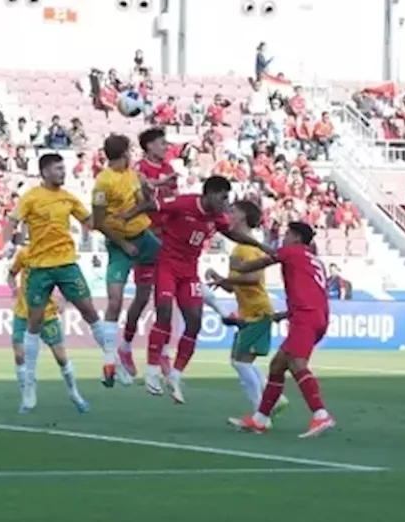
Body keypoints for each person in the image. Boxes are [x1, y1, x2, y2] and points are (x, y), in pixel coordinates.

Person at [117, 175, 273, 403]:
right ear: (209, 194)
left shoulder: (217, 217)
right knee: (165, 312)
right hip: (167, 266)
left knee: (194, 321)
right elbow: (152, 205)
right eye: (223, 197)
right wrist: (127, 216)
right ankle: (152, 371)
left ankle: (176, 376)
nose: (225, 203)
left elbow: (232, 234)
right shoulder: (185, 203)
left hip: (189, 272)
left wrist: (259, 244)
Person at [6, 153, 121, 381]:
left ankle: (112, 359)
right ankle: (29, 381)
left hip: (66, 264)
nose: (63, 172)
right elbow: (12, 221)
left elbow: (90, 222)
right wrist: (7, 244)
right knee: (34, 323)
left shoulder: (68, 198)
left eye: (63, 168)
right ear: (45, 172)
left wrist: (108, 215)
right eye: (58, 169)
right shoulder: (30, 198)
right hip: (40, 267)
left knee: (89, 312)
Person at [226, 221, 336, 438]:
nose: (283, 238)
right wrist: (284, 314)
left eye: (287, 234)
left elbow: (262, 262)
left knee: (297, 364)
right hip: (317, 316)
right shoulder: (315, 261)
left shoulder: (292, 251)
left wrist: (237, 267)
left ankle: (321, 414)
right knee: (277, 367)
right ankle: (260, 419)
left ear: (296, 238)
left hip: (304, 318)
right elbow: (311, 293)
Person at [204, 200, 289, 416]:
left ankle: (260, 412)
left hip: (256, 312)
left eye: (233, 211)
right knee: (240, 361)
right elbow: (234, 287)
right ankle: (275, 399)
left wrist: (226, 277)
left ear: (242, 217)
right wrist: (219, 278)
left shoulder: (246, 248)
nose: (228, 214)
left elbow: (252, 278)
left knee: (240, 363)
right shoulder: (243, 247)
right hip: (251, 311)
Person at [91, 134, 160, 388]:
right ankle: (109, 362)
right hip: (120, 245)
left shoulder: (131, 175)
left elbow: (146, 205)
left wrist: (142, 202)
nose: (132, 156)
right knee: (115, 300)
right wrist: (122, 243)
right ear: (122, 155)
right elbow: (98, 222)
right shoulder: (102, 184)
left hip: (144, 237)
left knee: (175, 264)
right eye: (129, 152)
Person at [116, 127, 179, 383]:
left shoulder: (170, 170)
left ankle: (164, 351)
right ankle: (126, 347)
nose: (166, 147)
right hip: (147, 237)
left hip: (168, 239)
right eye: (162, 143)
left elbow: (173, 201)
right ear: (149, 146)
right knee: (142, 297)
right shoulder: (139, 169)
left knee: (167, 299)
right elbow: (145, 193)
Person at [7, 245, 88, 414]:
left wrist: (64, 299)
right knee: (19, 355)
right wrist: (14, 289)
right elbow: (11, 274)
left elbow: (69, 281)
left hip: (47, 313)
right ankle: (27, 395)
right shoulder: (24, 253)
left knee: (61, 357)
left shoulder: (56, 254)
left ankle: (74, 393)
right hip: (23, 313)